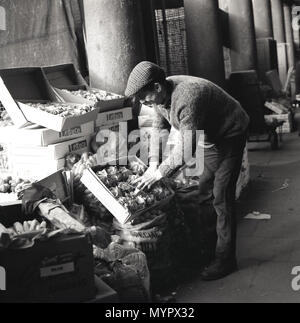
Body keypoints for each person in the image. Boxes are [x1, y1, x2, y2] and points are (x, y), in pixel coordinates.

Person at [125, 61, 249, 281]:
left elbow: (188, 148)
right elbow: (158, 130)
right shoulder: (159, 99)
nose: (142, 102)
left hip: (231, 132)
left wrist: (161, 172)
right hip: (211, 137)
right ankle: (209, 251)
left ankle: (225, 259)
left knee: (221, 195)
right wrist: (153, 163)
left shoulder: (188, 97)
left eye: (144, 97)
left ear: (156, 87)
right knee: (204, 192)